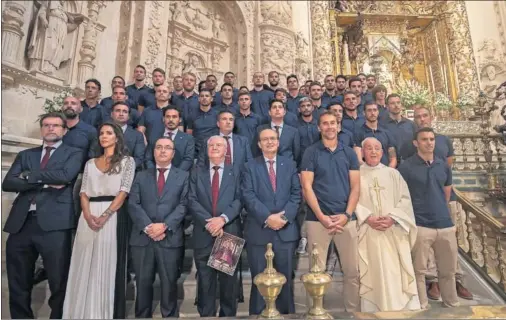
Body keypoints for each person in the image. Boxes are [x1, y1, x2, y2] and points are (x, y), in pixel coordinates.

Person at [3, 112, 83, 319]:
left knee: (58, 281)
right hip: (21, 224)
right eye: (46, 125)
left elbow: (66, 176)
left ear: (64, 130)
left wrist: (30, 175)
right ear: (41, 129)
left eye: (56, 125)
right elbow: (8, 183)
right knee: (18, 280)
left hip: (55, 225)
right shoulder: (26, 155)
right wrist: (47, 180)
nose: (50, 129)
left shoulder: (73, 153)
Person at [63, 122, 135, 319]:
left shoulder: (127, 162)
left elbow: (124, 192)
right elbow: (84, 192)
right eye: (102, 133)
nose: (104, 136)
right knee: (83, 260)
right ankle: (80, 312)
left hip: (113, 215)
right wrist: (87, 216)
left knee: (107, 264)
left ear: (117, 137)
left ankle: (103, 312)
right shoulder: (89, 163)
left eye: (109, 133)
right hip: (88, 216)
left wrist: (104, 216)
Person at [400, 106, 472, 300]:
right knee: (421, 264)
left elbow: (446, 190)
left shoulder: (444, 145)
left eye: (425, 115)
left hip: (442, 212)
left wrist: (440, 207)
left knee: (449, 257)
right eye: (418, 116)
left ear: (431, 118)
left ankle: (455, 288)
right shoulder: (407, 161)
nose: (429, 143)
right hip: (421, 215)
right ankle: (431, 287)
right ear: (416, 142)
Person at [300, 111, 360, 312]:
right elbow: (307, 187)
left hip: (346, 221)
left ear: (339, 126)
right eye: (325, 124)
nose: (329, 127)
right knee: (316, 272)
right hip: (318, 221)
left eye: (333, 123)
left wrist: (346, 215)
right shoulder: (311, 152)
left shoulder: (349, 153)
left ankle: (353, 312)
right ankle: (315, 312)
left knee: (352, 272)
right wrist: (322, 217)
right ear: (319, 128)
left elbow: (356, 187)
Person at [356, 137, 420, 312]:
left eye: (377, 148)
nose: (374, 151)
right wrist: (367, 217)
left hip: (393, 232)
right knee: (373, 273)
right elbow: (351, 200)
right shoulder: (356, 174)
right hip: (369, 232)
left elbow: (405, 200)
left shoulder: (393, 174)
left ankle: (402, 310)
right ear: (362, 152)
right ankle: (373, 311)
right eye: (369, 148)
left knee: (396, 273)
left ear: (382, 152)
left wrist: (393, 218)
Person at [242, 128, 301, 315]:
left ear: (278, 142)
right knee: (259, 281)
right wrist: (268, 217)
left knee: (285, 281)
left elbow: (296, 195)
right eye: (265, 139)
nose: (269, 142)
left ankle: (286, 315)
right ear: (259, 144)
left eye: (273, 139)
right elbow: (248, 195)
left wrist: (283, 218)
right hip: (259, 231)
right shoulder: (249, 166)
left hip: (285, 232)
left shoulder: (290, 164)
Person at [398, 127, 459, 309]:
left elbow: (446, 194)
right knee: (419, 271)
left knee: (448, 271)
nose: (429, 142)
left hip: (445, 225)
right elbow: (402, 196)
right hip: (421, 225)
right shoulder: (406, 167)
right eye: (424, 139)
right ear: (416, 143)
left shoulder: (443, 165)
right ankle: (422, 305)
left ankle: (452, 303)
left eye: (432, 139)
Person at [128, 137, 189, 318]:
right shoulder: (140, 175)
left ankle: (169, 315)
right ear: (153, 151)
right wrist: (148, 227)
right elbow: (133, 204)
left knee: (169, 283)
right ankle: (142, 315)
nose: (163, 151)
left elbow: (184, 204)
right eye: (159, 147)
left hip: (169, 237)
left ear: (173, 153)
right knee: (143, 282)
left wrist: (164, 226)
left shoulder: (184, 176)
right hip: (142, 238)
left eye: (167, 148)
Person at [189, 136, 243, 317]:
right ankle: (207, 315)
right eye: (211, 145)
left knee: (228, 282)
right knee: (205, 281)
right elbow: (192, 199)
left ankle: (228, 315)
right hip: (203, 232)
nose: (214, 147)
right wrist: (210, 222)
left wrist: (222, 220)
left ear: (226, 149)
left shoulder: (235, 171)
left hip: (228, 231)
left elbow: (239, 199)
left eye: (219, 144)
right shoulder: (197, 171)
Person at [197, 110, 252, 176]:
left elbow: (250, 164)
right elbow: (200, 165)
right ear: (218, 124)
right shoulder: (209, 141)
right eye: (224, 119)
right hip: (215, 179)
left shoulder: (243, 141)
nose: (228, 122)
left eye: (231, 120)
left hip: (239, 180)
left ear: (233, 124)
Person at [145, 105, 195, 171]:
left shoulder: (188, 139)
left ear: (180, 120)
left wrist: (175, 175)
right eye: (168, 117)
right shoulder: (154, 137)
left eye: (174, 117)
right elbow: (148, 159)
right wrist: (155, 173)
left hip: (179, 177)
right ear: (163, 119)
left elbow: (188, 160)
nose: (171, 120)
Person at [354, 102, 397, 167]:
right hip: (367, 173)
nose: (372, 113)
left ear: (378, 112)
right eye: (369, 110)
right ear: (364, 113)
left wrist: (388, 171)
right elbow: (359, 159)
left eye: (375, 110)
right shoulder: (358, 133)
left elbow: (393, 158)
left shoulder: (386, 132)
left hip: (385, 172)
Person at [110, 101, 145, 170]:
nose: (121, 114)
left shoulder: (137, 135)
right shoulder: (103, 132)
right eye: (118, 111)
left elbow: (138, 159)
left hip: (128, 172)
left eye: (125, 111)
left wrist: (120, 167)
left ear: (128, 116)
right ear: (111, 114)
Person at [186, 88, 220, 159]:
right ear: (198, 99)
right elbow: (189, 135)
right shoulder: (192, 115)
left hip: (215, 152)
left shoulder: (218, 115)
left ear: (211, 99)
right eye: (202, 96)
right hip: (197, 154)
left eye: (207, 96)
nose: (204, 98)